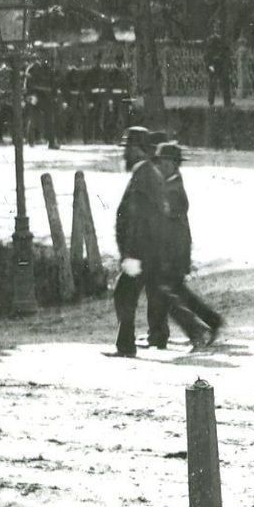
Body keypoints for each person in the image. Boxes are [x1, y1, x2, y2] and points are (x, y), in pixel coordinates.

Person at [153, 140, 222, 348]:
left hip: (174, 251)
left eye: (164, 163)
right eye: (159, 163)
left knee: (164, 294)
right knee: (178, 292)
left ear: (174, 164)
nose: (160, 166)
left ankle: (196, 331)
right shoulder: (170, 185)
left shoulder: (173, 189)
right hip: (175, 249)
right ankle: (212, 321)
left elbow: (167, 222)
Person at [107, 127, 169, 358]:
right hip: (147, 250)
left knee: (123, 294)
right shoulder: (146, 173)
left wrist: (132, 253)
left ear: (138, 150)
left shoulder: (144, 175)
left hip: (141, 251)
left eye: (128, 148)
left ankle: (126, 346)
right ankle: (153, 337)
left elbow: (138, 218)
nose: (125, 153)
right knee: (150, 293)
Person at [204, 32, 231, 108]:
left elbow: (227, 53)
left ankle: (226, 102)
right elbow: (206, 57)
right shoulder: (210, 45)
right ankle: (211, 101)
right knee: (213, 82)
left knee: (223, 82)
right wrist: (210, 65)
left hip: (220, 65)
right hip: (213, 65)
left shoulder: (222, 43)